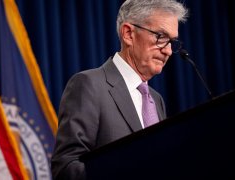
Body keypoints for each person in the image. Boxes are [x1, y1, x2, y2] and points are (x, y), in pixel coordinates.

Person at [51, 0, 188, 179]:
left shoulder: (157, 99)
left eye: (171, 41)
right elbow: (66, 168)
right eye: (161, 37)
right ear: (128, 34)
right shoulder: (88, 85)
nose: (168, 51)